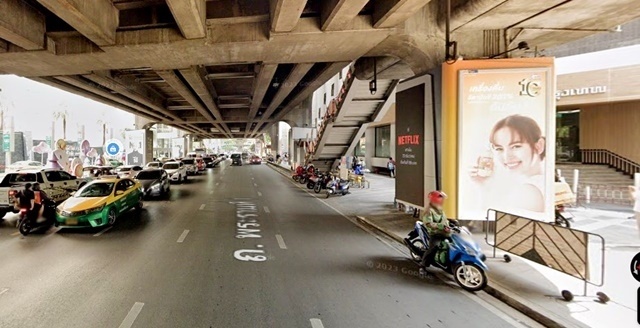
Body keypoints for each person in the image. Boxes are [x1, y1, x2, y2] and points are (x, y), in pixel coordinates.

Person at [470, 114, 546, 212]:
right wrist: (484, 185)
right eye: (499, 149)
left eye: (516, 146)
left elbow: (491, 222)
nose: (506, 157)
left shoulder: (528, 191)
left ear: (539, 146)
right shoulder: (537, 183)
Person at [404, 191, 456, 267]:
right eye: (440, 199)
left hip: (445, 232)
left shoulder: (439, 208)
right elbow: (428, 223)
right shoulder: (429, 211)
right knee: (433, 248)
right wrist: (441, 226)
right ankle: (423, 265)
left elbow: (444, 219)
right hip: (435, 233)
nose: (442, 201)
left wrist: (452, 221)